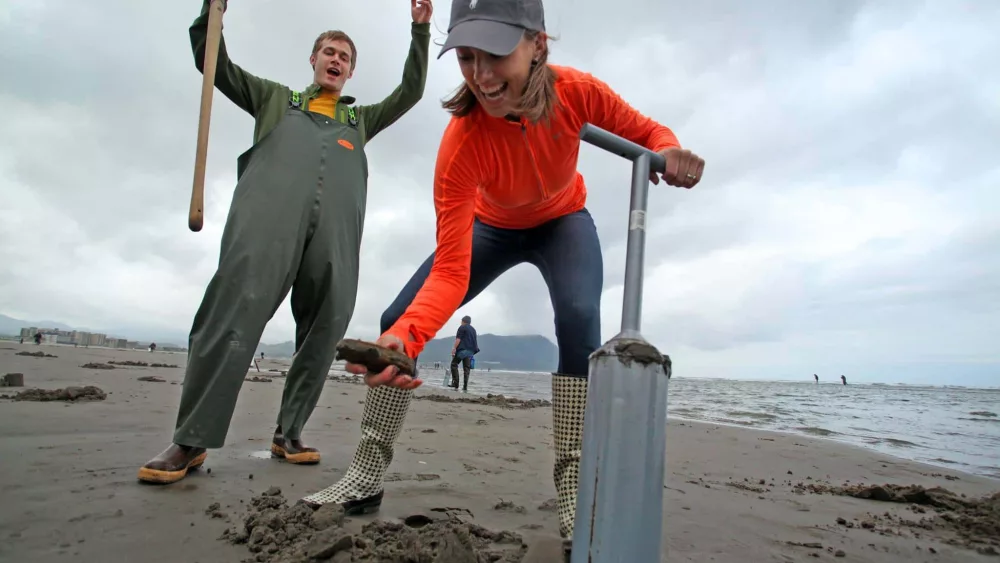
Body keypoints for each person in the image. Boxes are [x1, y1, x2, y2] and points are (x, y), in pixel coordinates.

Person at [299, 0, 705, 548]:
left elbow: (648, 132)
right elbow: (449, 271)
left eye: (495, 54)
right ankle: (366, 474)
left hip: (563, 220)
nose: (482, 76)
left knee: (581, 316)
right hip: (491, 226)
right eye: (467, 56)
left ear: (538, 44)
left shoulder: (576, 92)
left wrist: (669, 151)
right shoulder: (463, 141)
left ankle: (572, 487)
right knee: (398, 316)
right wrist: (406, 338)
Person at [137, 0, 434, 485]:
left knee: (325, 325)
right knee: (232, 311)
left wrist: (419, 32)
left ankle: (289, 432)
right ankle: (189, 440)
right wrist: (210, 14)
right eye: (328, 52)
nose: (336, 60)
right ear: (313, 60)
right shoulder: (273, 99)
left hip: (335, 234)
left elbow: (410, 92)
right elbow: (214, 62)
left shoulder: (361, 122)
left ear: (351, 71)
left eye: (344, 57)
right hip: (267, 223)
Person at [449, 315, 479, 390]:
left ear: (463, 321)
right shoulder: (473, 329)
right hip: (471, 351)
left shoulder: (462, 327)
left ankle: (456, 384)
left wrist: (454, 348)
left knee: (454, 364)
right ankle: (465, 387)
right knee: (466, 368)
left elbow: (458, 339)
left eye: (461, 321)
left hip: (462, 350)